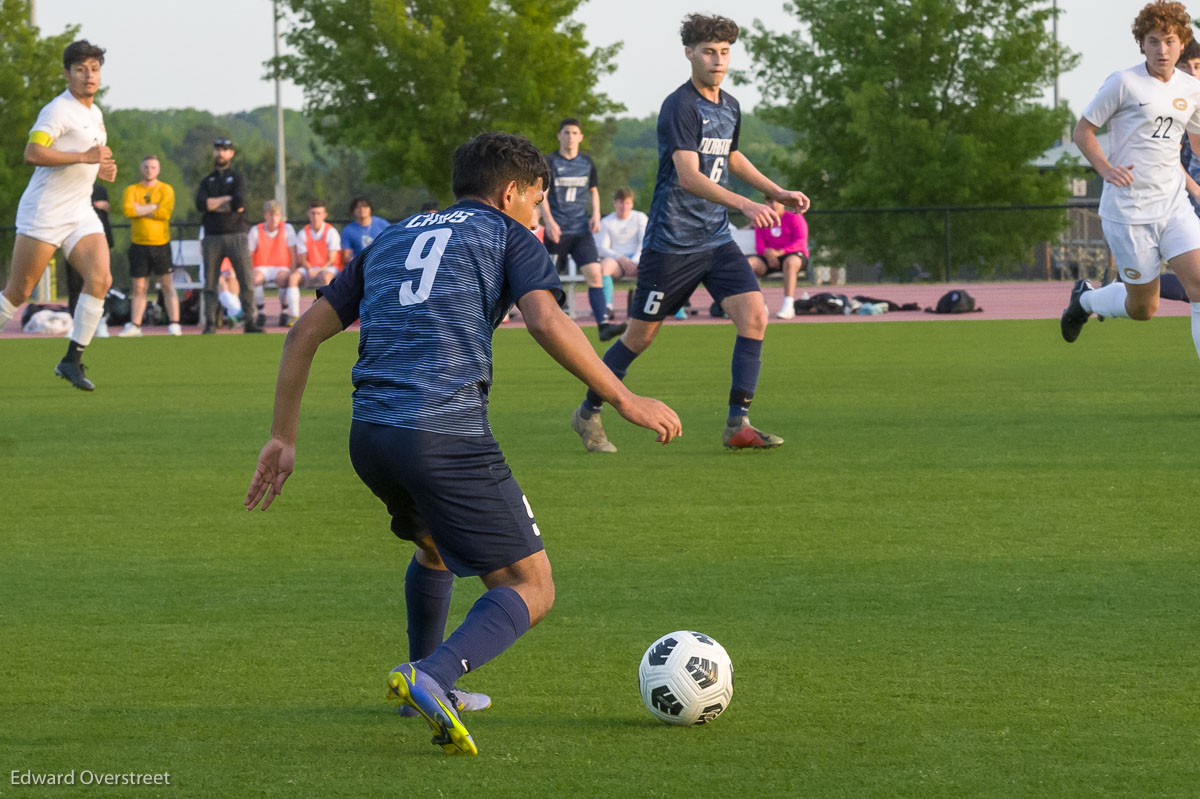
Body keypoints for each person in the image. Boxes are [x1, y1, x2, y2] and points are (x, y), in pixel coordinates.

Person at [243, 132, 681, 756]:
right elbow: (547, 319)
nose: (539, 216)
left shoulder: (391, 237)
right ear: (510, 193)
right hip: (443, 436)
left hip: (369, 438)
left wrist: (282, 436)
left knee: (435, 549)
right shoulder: (509, 235)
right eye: (536, 201)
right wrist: (624, 398)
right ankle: (434, 675)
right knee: (532, 587)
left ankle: (421, 684)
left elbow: (302, 334)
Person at [570, 14, 810, 452]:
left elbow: (731, 156)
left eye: (724, 52)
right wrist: (745, 203)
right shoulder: (679, 105)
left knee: (755, 315)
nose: (718, 60)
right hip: (672, 244)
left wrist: (775, 191)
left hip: (715, 240)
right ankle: (588, 413)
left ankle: (738, 423)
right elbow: (688, 176)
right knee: (640, 336)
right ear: (689, 53)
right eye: (708, 52)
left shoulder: (730, 105)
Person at [1061, 1, 1200, 356]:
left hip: (1173, 205)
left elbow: (1197, 146)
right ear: (1142, 44)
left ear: (1182, 43)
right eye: (1153, 41)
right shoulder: (1123, 83)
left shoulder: (1191, 88)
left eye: (1169, 41)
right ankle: (1087, 300)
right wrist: (1106, 169)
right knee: (1143, 309)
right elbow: (1083, 132)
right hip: (1129, 212)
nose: (1162, 49)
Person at [0, 40, 116, 390]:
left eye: (94, 69)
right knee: (18, 293)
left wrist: (103, 167)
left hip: (79, 211)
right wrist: (85, 158)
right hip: (45, 212)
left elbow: (92, 155)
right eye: (80, 69)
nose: (88, 75)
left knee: (101, 279)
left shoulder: (94, 113)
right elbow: (33, 151)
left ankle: (72, 360)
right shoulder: (57, 110)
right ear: (67, 73)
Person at [540, 118, 625, 340]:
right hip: (557, 230)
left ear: (580, 137)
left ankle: (603, 325)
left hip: (580, 230)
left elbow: (593, 190)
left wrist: (596, 214)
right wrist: (548, 221)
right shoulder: (549, 162)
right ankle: (550, 326)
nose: (570, 136)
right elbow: (542, 195)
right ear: (559, 136)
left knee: (595, 274)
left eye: (574, 132)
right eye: (566, 132)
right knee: (547, 282)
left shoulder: (587, 163)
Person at [196, 137, 260, 333]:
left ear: (231, 153)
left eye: (225, 149)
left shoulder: (238, 178)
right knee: (210, 283)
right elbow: (201, 205)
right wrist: (226, 201)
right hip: (212, 236)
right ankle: (210, 324)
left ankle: (250, 322)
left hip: (237, 235)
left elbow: (238, 202)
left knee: (246, 280)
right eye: (218, 149)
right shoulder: (207, 180)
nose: (221, 153)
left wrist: (214, 204)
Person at [119, 155, 180, 336]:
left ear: (158, 170)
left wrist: (141, 210)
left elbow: (164, 212)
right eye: (146, 167)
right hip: (139, 244)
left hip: (160, 243)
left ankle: (174, 323)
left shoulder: (166, 189)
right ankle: (135, 325)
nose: (149, 170)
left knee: (167, 285)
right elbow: (129, 210)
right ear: (141, 168)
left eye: (153, 167)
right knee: (139, 287)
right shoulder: (132, 189)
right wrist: (152, 207)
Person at [746, 194, 810, 319]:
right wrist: (769, 255)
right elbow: (759, 246)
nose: (773, 205)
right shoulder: (762, 220)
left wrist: (780, 252)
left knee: (791, 262)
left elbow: (800, 242)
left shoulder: (794, 217)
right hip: (769, 258)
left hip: (792, 255)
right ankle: (759, 305)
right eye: (770, 201)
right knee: (748, 264)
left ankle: (788, 305)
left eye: (777, 202)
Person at [594, 187, 648, 318]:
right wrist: (621, 258)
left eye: (627, 203)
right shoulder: (606, 222)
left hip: (638, 260)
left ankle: (651, 307)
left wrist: (634, 261)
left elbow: (644, 242)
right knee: (605, 265)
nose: (624, 206)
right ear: (615, 203)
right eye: (621, 202)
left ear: (632, 204)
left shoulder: (640, 218)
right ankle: (608, 307)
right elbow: (603, 248)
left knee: (656, 265)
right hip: (618, 262)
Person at [248, 200, 299, 326]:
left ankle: (284, 311)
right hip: (261, 267)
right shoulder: (255, 230)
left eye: (276, 215)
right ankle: (261, 312)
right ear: (265, 215)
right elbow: (249, 255)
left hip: (281, 267)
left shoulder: (287, 229)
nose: (274, 218)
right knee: (256, 279)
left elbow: (293, 254)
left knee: (283, 279)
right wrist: (250, 272)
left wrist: (292, 272)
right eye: (271, 215)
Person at [296, 199, 341, 288]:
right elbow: (302, 259)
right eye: (313, 213)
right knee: (294, 278)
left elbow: (332, 260)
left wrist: (317, 271)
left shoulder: (331, 232)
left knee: (326, 277)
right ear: (308, 214)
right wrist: (309, 269)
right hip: (310, 268)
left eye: (319, 213)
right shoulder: (303, 233)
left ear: (324, 215)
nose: (316, 217)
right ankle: (290, 302)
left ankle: (326, 301)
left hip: (329, 268)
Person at [340, 196, 389, 264]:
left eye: (365, 206)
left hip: (381, 262)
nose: (362, 209)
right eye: (358, 207)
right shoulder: (348, 230)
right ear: (353, 211)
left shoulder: (382, 224)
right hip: (359, 266)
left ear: (370, 209)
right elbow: (346, 256)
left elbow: (392, 242)